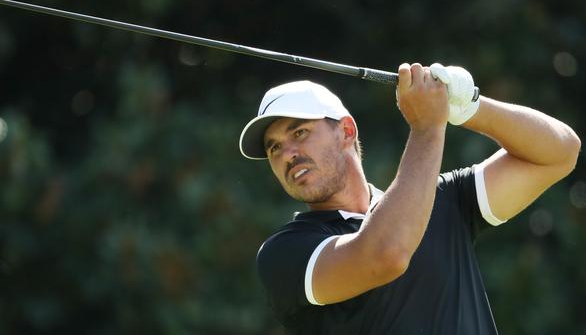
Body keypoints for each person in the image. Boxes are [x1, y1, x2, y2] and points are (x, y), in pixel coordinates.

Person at [238, 63, 581, 334]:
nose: (289, 154)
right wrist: (428, 128)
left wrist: (469, 109)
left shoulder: (442, 201)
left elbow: (559, 153)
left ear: (346, 131)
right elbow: (386, 254)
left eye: (300, 132)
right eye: (275, 148)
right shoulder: (285, 252)